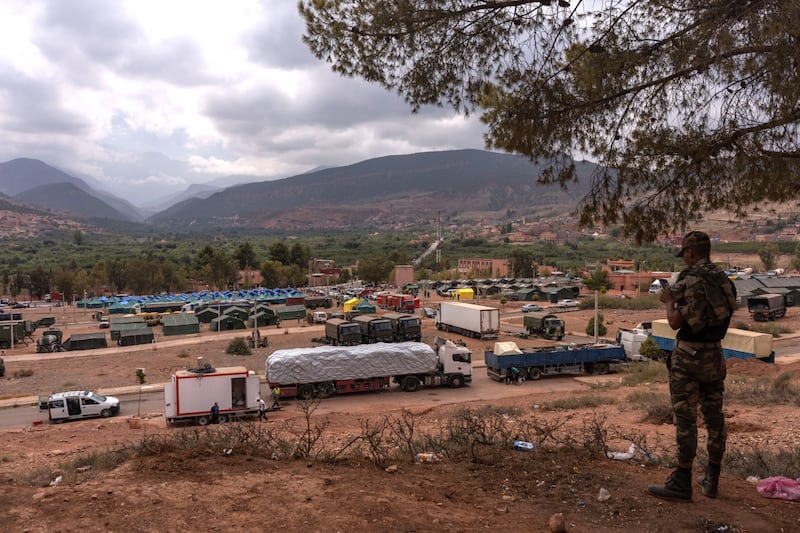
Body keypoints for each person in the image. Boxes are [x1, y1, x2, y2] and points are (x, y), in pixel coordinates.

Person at [648, 231, 737, 501]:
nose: (684, 258)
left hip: (688, 357)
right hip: (714, 356)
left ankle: (682, 481)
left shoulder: (688, 280)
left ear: (691, 253)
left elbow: (675, 321)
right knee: (714, 418)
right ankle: (712, 478)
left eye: (685, 253)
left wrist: (668, 302)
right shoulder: (724, 280)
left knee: (685, 420)